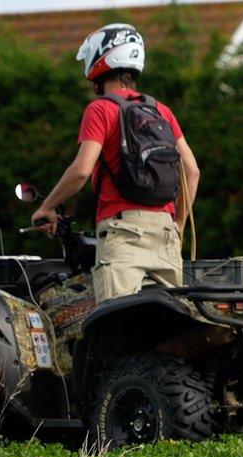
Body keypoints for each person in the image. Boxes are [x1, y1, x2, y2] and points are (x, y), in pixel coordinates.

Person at [31, 23, 200, 303]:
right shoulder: (161, 111)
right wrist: (177, 225)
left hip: (123, 235)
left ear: (101, 59)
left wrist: (47, 206)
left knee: (114, 329)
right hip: (166, 235)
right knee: (169, 330)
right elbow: (192, 171)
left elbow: (81, 170)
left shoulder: (101, 109)